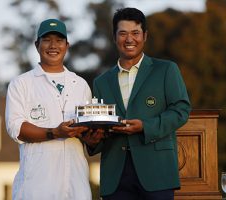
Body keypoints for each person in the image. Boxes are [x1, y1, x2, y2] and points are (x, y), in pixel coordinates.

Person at [83, 8, 191, 200]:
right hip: (115, 177)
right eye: (123, 33)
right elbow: (100, 124)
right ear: (115, 37)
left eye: (135, 33)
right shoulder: (101, 82)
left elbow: (181, 110)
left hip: (157, 173)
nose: (129, 39)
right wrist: (92, 142)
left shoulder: (166, 70)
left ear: (145, 36)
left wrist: (145, 126)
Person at [5, 19, 92, 200]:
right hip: (36, 187)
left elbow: (88, 127)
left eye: (59, 40)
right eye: (47, 39)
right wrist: (54, 132)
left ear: (67, 45)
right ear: (37, 45)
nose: (53, 45)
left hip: (76, 185)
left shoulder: (80, 84)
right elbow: (16, 128)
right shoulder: (21, 84)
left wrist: (93, 135)